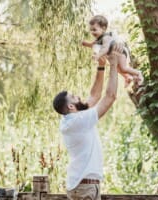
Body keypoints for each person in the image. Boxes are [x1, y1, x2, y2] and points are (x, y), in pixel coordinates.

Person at [53, 51, 119, 199]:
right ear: (71, 106)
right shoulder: (79, 121)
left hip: (82, 186)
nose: (78, 96)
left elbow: (95, 95)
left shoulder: (72, 119)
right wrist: (113, 65)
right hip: (85, 187)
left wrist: (101, 67)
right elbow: (110, 97)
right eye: (74, 97)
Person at [82, 15, 144, 87]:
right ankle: (128, 77)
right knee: (118, 69)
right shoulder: (98, 40)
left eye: (94, 30)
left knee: (123, 68)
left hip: (121, 52)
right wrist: (84, 43)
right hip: (116, 54)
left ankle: (138, 73)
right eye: (91, 30)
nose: (92, 32)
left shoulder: (105, 37)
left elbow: (105, 48)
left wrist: (98, 55)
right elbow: (92, 44)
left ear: (103, 28)